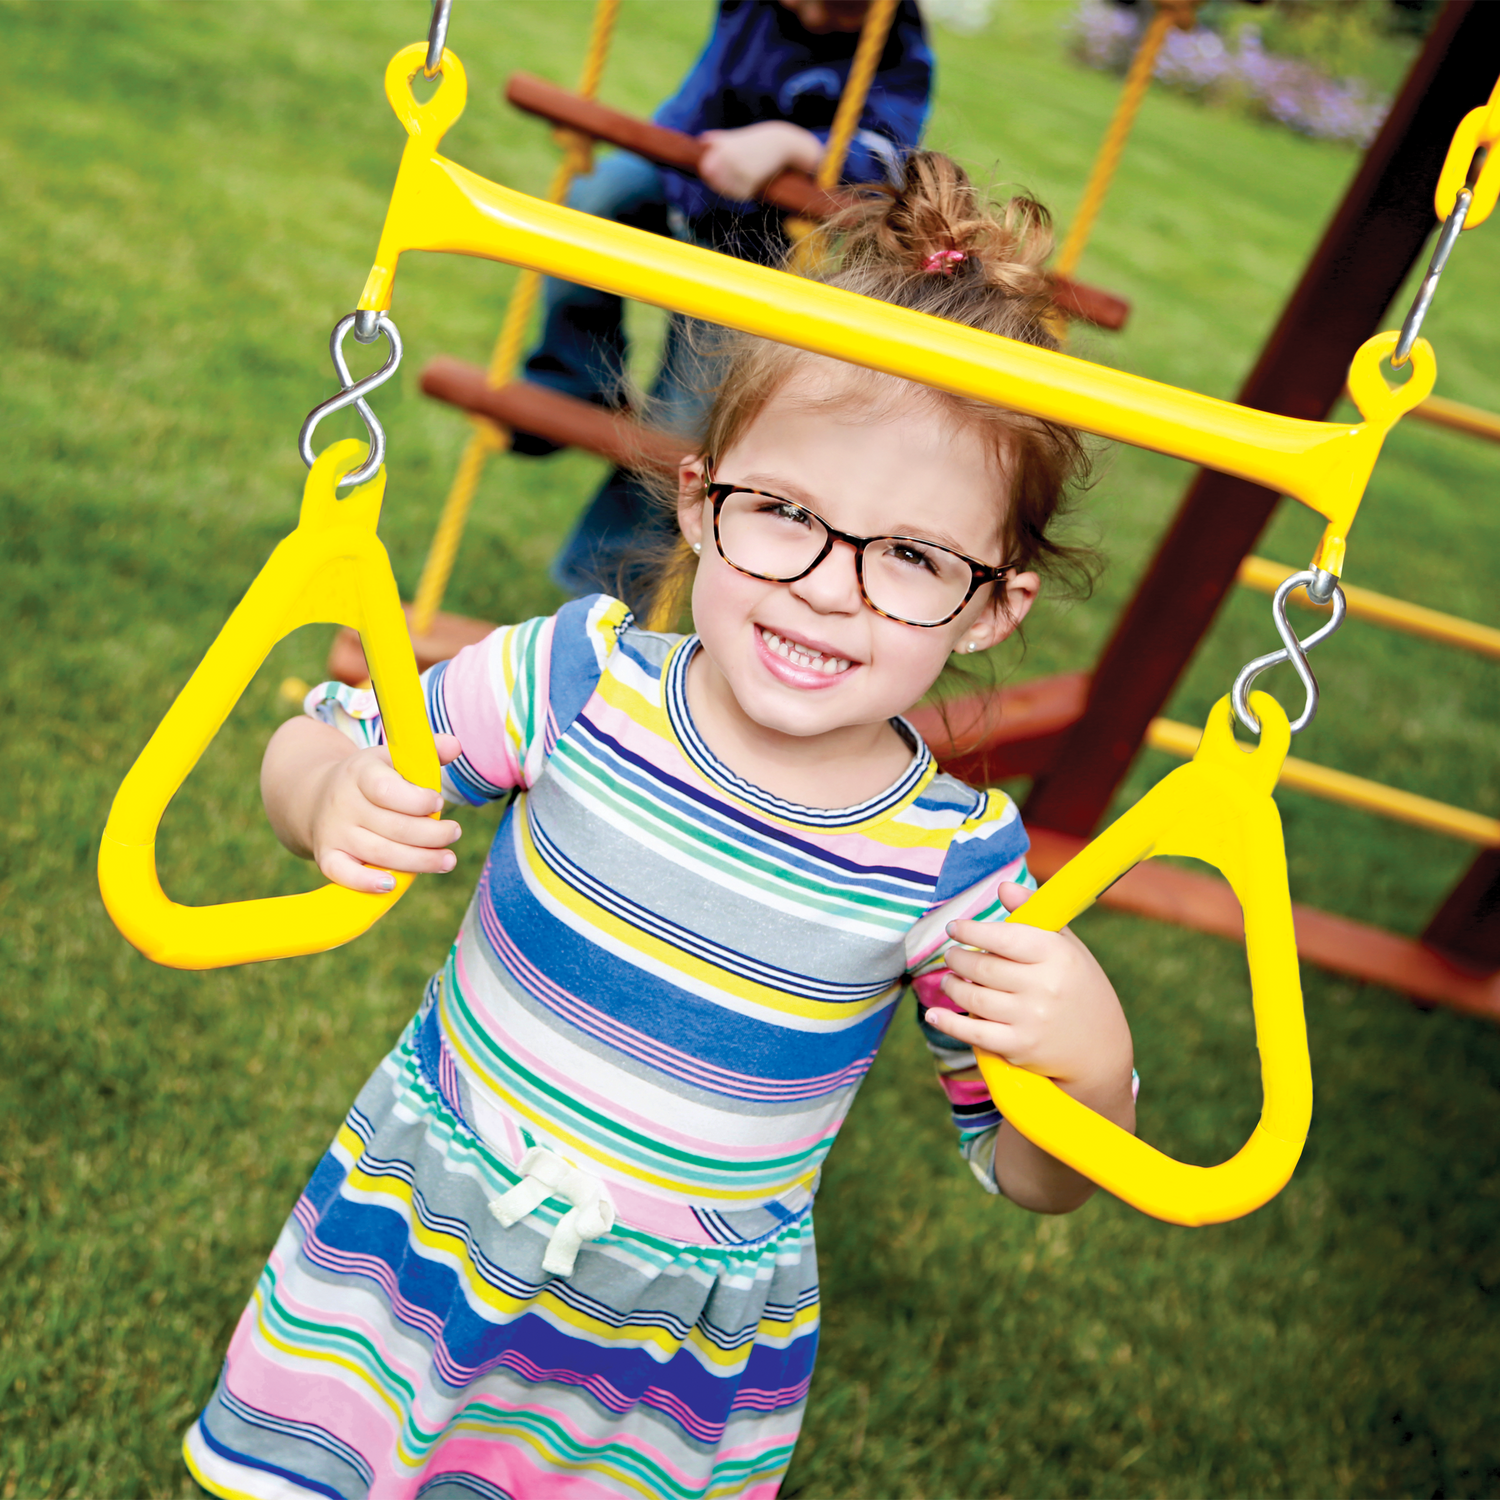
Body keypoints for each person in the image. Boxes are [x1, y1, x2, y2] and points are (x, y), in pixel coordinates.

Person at [184, 153, 1136, 1500]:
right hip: (423, 1243)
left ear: (993, 608)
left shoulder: (955, 867)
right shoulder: (575, 680)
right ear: (700, 498)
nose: (827, 592)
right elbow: (327, 737)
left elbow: (1037, 1174)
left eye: (915, 556)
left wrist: (1092, 1070)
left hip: (657, 1362)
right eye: (787, 515)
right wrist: (326, 796)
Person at [519, 0, 934, 597]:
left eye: (843, 7)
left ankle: (602, 589)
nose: (817, 18)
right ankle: (573, 374)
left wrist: (794, 146)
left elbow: (891, 160)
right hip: (674, 173)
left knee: (680, 426)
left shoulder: (898, 52)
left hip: (755, 241)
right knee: (597, 195)